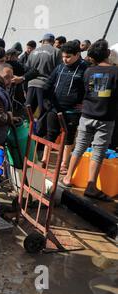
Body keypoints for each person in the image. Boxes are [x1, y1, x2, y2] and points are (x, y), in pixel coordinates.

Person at [62, 40, 118, 202]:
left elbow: (91, 91)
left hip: (86, 115)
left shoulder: (88, 71)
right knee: (98, 151)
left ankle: (67, 177)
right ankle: (91, 185)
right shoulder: (115, 71)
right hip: (105, 118)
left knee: (79, 146)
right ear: (108, 54)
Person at [42, 41, 88, 174]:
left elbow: (88, 89)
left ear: (77, 54)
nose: (65, 59)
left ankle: (64, 163)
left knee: (69, 136)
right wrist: (46, 101)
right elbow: (48, 83)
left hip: (72, 110)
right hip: (54, 108)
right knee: (50, 134)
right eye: (63, 56)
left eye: (68, 56)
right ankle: (45, 159)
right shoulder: (60, 67)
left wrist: (84, 102)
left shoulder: (85, 68)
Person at [26, 33, 62, 137]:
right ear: (53, 41)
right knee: (42, 113)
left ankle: (26, 136)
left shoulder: (33, 52)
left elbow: (27, 68)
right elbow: (58, 70)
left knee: (29, 112)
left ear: (43, 41)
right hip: (45, 85)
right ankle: (38, 141)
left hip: (31, 84)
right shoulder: (56, 51)